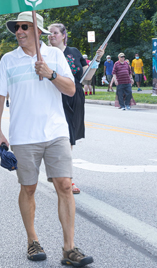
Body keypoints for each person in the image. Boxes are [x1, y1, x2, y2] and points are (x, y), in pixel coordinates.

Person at [0, 11, 93, 266]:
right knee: (28, 188)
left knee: (65, 185)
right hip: (24, 136)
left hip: (56, 132)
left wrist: (50, 74)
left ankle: (69, 249)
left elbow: (71, 89)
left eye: (24, 27)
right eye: (16, 28)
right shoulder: (8, 60)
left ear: (38, 31)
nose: (19, 31)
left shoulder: (55, 55)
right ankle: (32, 240)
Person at [48, 23, 105, 195]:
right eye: (49, 34)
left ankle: (60, 175)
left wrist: (97, 59)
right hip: (56, 97)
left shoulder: (74, 52)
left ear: (64, 35)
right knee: (64, 138)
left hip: (75, 97)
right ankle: (66, 179)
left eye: (55, 33)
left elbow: (87, 76)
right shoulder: (46, 54)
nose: (51, 36)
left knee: (70, 138)